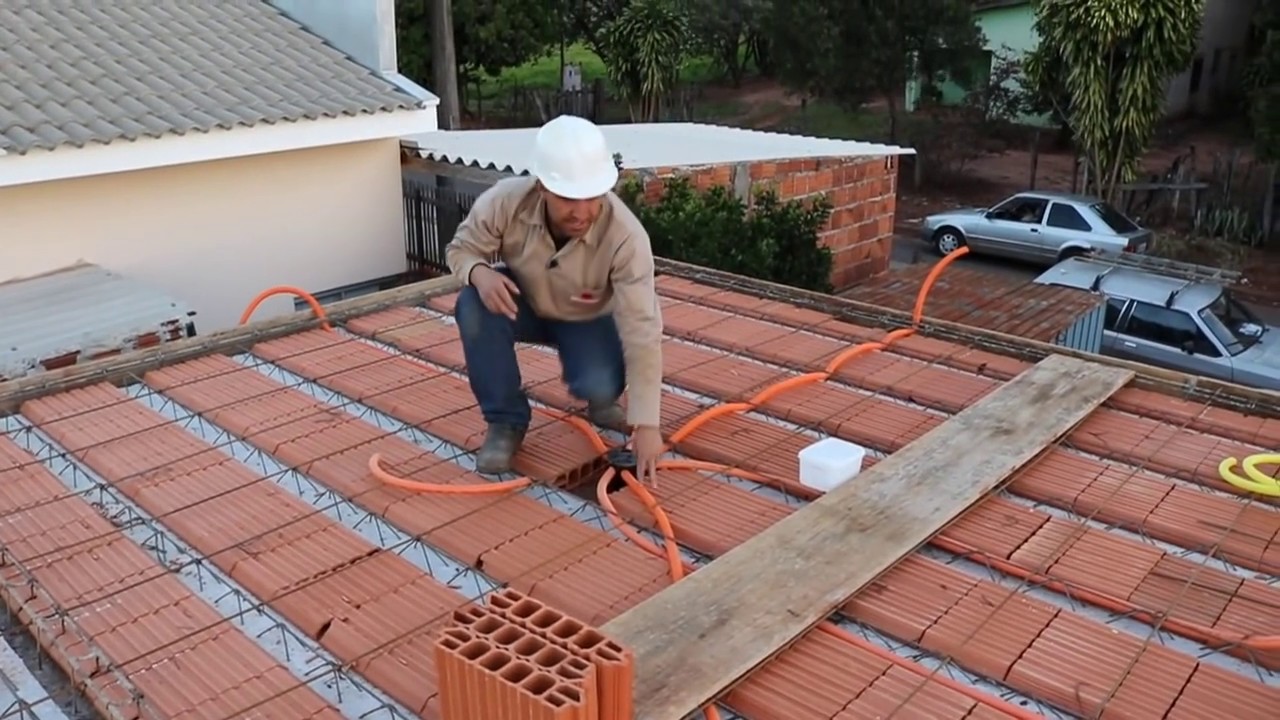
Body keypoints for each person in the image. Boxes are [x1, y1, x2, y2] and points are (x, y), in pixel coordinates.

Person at [445, 115, 665, 483]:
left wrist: (646, 425)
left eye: (591, 198)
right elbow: (461, 249)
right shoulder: (506, 201)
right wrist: (479, 274)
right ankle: (505, 422)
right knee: (472, 306)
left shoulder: (626, 237)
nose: (581, 212)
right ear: (542, 185)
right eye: (567, 199)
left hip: (588, 315)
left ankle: (602, 396)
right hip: (526, 302)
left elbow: (643, 329)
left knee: (596, 382)